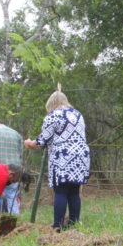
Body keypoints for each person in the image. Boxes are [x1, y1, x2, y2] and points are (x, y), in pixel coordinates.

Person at [24, 91, 91, 231]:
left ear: (51, 104)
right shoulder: (78, 114)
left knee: (60, 191)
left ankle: (57, 225)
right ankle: (73, 223)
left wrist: (30, 143)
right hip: (81, 155)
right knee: (74, 191)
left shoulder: (53, 115)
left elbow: (42, 140)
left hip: (63, 155)